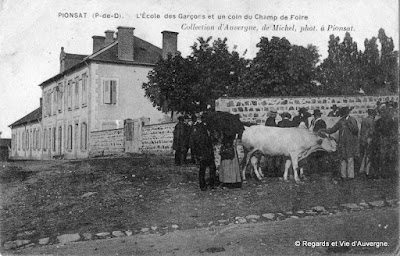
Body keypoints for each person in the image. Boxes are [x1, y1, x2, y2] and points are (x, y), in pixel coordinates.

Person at [321, 107, 359, 180]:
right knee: (343, 158)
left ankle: (350, 176)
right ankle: (343, 175)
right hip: (342, 142)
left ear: (347, 113)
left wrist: (349, 124)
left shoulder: (352, 120)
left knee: (350, 158)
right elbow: (333, 129)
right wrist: (325, 130)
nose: (342, 116)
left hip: (349, 142)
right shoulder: (341, 121)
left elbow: (356, 130)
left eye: (344, 114)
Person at [190, 113, 217, 191]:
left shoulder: (209, 128)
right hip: (202, 152)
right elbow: (196, 142)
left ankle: (212, 184)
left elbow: (212, 139)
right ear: (203, 120)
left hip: (209, 151)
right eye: (206, 120)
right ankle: (202, 185)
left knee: (212, 168)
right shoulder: (198, 128)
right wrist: (197, 154)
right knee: (202, 169)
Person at [370, 106, 398, 179]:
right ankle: (384, 174)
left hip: (386, 142)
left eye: (383, 112)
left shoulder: (386, 121)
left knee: (386, 158)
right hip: (383, 142)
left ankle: (385, 174)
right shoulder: (381, 121)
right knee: (383, 158)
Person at [359, 109, 376, 176]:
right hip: (369, 138)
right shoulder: (372, 120)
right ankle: (367, 171)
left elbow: (361, 131)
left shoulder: (364, 119)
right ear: (372, 113)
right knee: (369, 154)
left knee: (364, 154)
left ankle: (362, 169)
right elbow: (372, 131)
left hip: (363, 138)